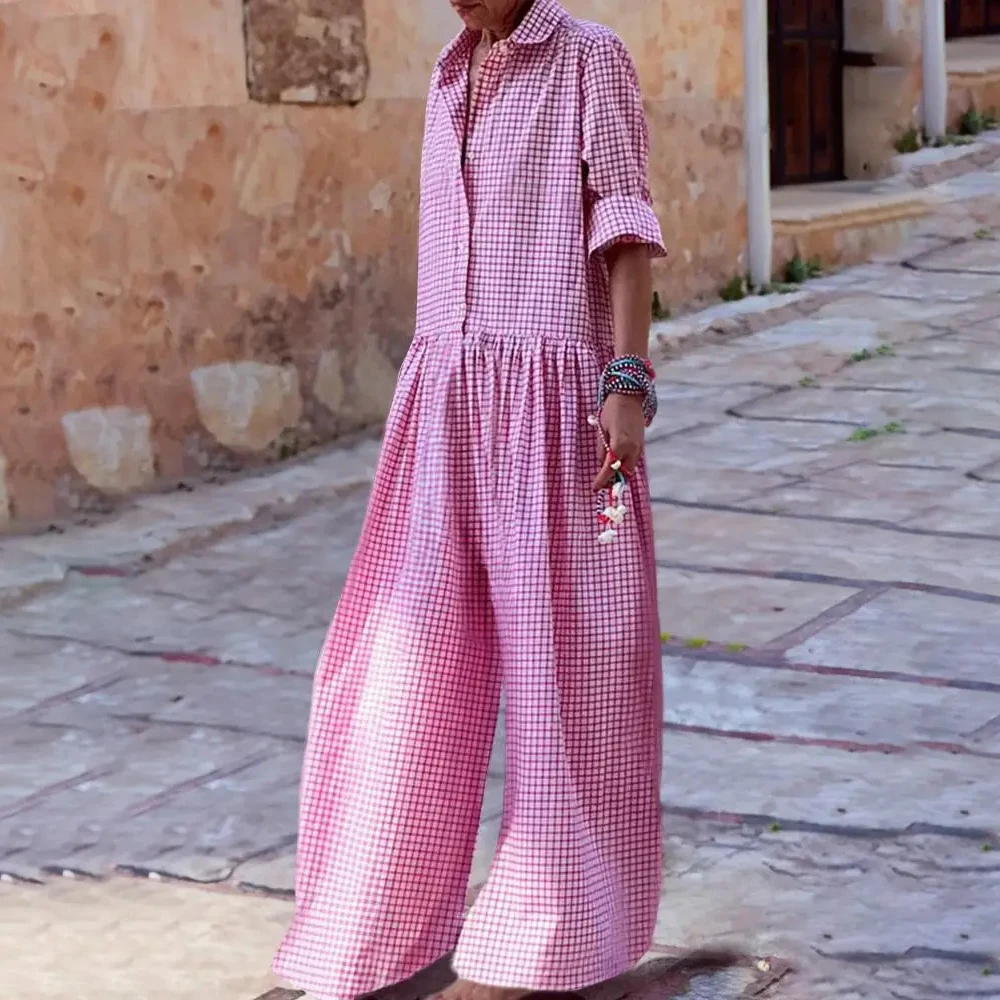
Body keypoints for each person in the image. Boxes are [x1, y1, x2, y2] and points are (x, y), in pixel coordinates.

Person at [274, 1, 665, 998]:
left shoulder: (590, 58)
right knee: (400, 668)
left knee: (569, 674)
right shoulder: (449, 75)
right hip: (444, 405)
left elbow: (624, 230)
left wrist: (626, 384)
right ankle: (372, 929)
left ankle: (547, 935)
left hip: (565, 419)